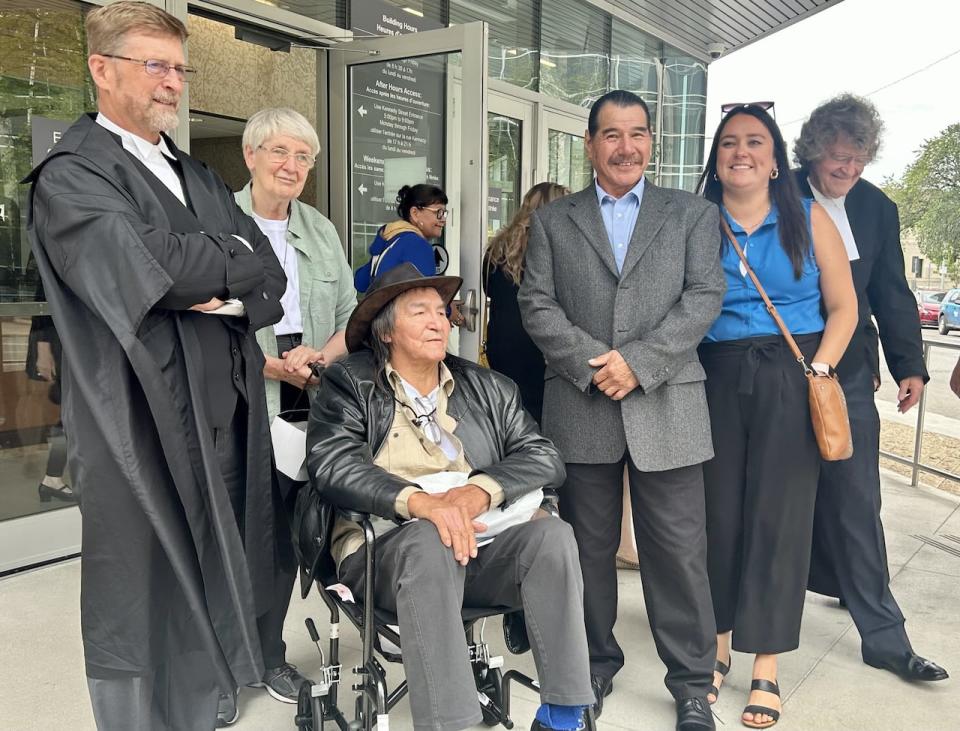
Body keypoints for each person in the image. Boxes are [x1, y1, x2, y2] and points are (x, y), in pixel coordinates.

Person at [23, 3, 287, 729]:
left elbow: (268, 271)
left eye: (178, 68)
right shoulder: (72, 175)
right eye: (154, 65)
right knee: (145, 576)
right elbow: (149, 268)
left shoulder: (196, 175)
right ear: (101, 69)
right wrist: (224, 267)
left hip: (227, 412)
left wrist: (225, 290)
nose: (171, 83)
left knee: (223, 552)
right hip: (140, 420)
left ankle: (213, 695)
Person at [302, 263, 596, 731]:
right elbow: (332, 464)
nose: (438, 321)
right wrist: (423, 504)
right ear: (385, 332)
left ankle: (562, 715)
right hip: (385, 553)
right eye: (419, 312)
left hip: (479, 543)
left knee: (552, 539)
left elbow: (543, 456)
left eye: (442, 311)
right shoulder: (348, 384)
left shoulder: (488, 386)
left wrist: (478, 492)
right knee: (427, 541)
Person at [518, 89, 724, 731]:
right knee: (583, 552)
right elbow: (537, 304)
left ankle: (692, 683)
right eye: (612, 134)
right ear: (589, 144)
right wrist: (596, 363)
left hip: (668, 404)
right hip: (583, 408)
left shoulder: (691, 214)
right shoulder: (554, 221)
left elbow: (704, 295)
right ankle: (591, 670)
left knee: (680, 554)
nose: (626, 146)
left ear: (651, 142)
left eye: (638, 133)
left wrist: (639, 361)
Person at [696, 104, 857, 729]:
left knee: (780, 517)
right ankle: (715, 648)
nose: (742, 152)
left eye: (755, 142)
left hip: (792, 375)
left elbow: (843, 307)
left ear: (774, 156)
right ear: (715, 156)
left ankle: (765, 663)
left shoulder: (808, 217)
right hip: (712, 375)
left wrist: (821, 368)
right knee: (716, 515)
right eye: (730, 142)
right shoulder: (695, 221)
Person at [795, 94, 948, 683]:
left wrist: (910, 363)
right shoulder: (778, 194)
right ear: (813, 151)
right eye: (838, 158)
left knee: (859, 498)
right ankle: (809, 590)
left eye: (858, 161)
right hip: (779, 368)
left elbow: (891, 292)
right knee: (780, 497)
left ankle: (884, 637)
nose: (848, 171)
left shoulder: (878, 209)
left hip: (848, 376)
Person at [234, 107, 356, 703]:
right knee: (234, 531)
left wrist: (320, 361)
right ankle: (224, 665)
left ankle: (268, 654)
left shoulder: (320, 228)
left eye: (303, 156)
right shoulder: (213, 222)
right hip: (238, 391)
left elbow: (351, 315)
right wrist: (266, 365)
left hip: (309, 389)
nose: (291, 166)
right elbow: (195, 326)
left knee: (288, 529)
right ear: (250, 155)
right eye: (279, 152)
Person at [484, 182, 570, 423]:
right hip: (540, 343)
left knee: (510, 411)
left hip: (502, 341)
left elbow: (488, 289)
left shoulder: (498, 247)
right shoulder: (554, 249)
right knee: (543, 416)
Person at [354, 183, 446, 294]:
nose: (443, 219)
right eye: (439, 212)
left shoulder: (390, 238)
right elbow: (426, 298)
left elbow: (360, 282)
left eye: (445, 213)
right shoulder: (416, 245)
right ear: (415, 213)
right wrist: (449, 308)